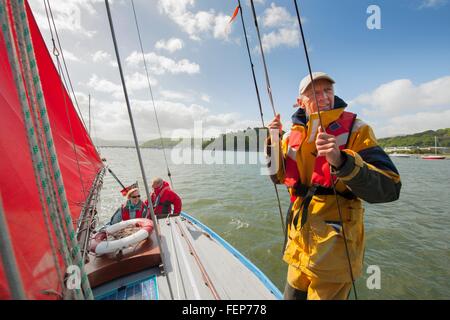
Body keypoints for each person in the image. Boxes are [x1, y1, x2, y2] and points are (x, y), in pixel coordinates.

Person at [266, 72, 401, 300]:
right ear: (300, 102)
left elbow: (389, 188)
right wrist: (271, 141)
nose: (324, 97)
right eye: (315, 93)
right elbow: (277, 178)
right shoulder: (290, 136)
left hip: (335, 253)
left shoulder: (357, 129)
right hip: (298, 246)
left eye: (328, 91)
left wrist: (342, 161)